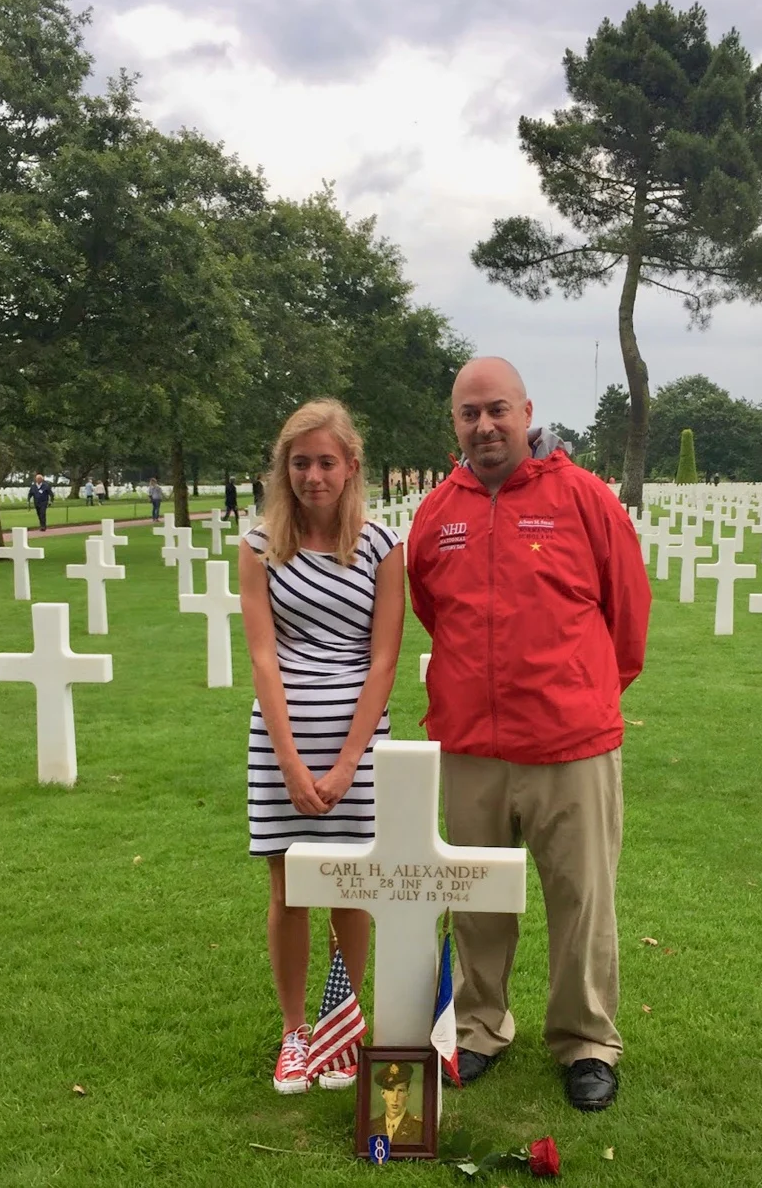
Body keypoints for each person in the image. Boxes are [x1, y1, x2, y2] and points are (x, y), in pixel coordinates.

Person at [406, 357, 651, 1113]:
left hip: (569, 743)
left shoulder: (582, 498)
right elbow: (432, 611)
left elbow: (627, 613)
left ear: (526, 412)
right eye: (469, 413)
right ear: (455, 423)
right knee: (477, 898)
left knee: (581, 898)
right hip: (471, 745)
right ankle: (479, 1025)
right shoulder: (437, 513)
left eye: (497, 410)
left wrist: (581, 692)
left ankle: (586, 1040)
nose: (485, 426)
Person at [238, 398, 404, 1095]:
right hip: (283, 742)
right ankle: (294, 1033)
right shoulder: (258, 546)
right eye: (300, 462)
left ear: (351, 466)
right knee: (289, 892)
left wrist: (344, 765)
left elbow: (384, 660)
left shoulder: (381, 547)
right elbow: (264, 657)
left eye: (326, 462)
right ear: (284, 468)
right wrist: (291, 762)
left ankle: (342, 1027)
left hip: (356, 747)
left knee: (352, 889)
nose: (313, 476)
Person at [368, 1062, 425, 1145]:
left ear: (407, 1094)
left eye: (400, 1090)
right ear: (383, 1093)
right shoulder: (370, 1127)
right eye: (390, 1090)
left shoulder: (420, 1129)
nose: (395, 1098)